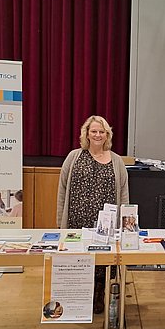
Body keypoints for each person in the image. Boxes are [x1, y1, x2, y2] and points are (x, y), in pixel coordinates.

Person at [57, 115, 129, 314]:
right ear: (86, 134)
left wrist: (124, 223)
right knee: (79, 260)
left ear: (107, 135)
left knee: (102, 263)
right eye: (94, 131)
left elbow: (123, 194)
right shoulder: (73, 157)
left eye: (102, 131)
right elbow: (62, 190)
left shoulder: (117, 161)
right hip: (76, 222)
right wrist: (59, 221)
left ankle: (99, 294)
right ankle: (79, 298)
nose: (97, 135)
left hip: (105, 225)